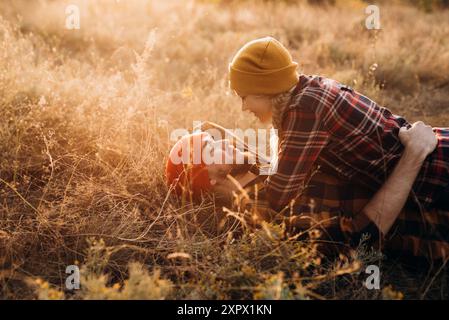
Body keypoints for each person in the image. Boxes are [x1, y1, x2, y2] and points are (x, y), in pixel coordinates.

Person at [227, 36, 449, 221]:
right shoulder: (309, 88)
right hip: (438, 151)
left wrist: (231, 188)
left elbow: (279, 195)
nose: (244, 107)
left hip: (436, 173)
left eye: (244, 97)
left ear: (264, 90)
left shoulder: (304, 110)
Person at [165, 122, 449, 261]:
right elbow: (362, 239)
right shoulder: (270, 213)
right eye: (212, 149)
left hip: (435, 153)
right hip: (436, 209)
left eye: (217, 139)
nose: (226, 143)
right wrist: (414, 154)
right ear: (210, 181)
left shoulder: (267, 167)